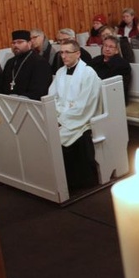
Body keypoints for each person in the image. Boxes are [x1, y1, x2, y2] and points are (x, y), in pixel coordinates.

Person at [49, 40, 102, 190]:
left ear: (78, 54)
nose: (63, 56)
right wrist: (57, 115)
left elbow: (85, 104)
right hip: (62, 117)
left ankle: (73, 183)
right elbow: (52, 97)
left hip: (80, 119)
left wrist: (62, 119)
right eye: (61, 52)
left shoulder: (88, 73)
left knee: (59, 137)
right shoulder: (60, 72)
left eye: (67, 52)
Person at [0, 30, 53, 100]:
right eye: (13, 43)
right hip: (6, 103)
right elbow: (0, 85)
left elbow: (39, 91)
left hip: (29, 105)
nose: (15, 45)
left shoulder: (40, 62)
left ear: (29, 43)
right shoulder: (10, 62)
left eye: (20, 42)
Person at [89, 35, 132, 101]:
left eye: (111, 47)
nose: (107, 49)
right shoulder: (96, 60)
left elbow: (111, 83)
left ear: (117, 50)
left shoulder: (122, 64)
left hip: (114, 96)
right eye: (105, 46)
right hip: (96, 92)